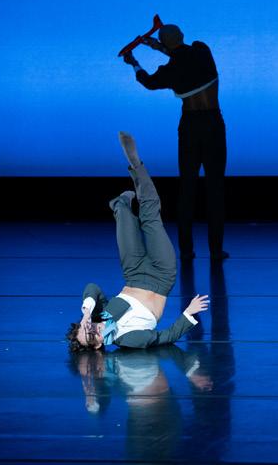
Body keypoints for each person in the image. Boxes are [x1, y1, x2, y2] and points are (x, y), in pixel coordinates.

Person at [66, 132, 209, 351]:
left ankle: (127, 187)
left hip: (133, 272)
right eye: (91, 336)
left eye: (87, 327)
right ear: (97, 346)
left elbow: (92, 287)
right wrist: (188, 313)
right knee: (150, 219)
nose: (92, 329)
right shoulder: (128, 339)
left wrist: (86, 313)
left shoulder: (101, 315)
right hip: (162, 275)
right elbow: (164, 337)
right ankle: (134, 173)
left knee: (124, 219)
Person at [123, 24, 229, 260]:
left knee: (187, 188)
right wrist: (159, 47)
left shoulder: (170, 70)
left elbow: (149, 82)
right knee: (215, 188)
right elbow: (184, 55)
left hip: (190, 126)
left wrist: (135, 63)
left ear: (165, 43)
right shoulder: (202, 51)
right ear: (182, 35)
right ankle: (216, 250)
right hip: (213, 124)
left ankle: (186, 251)